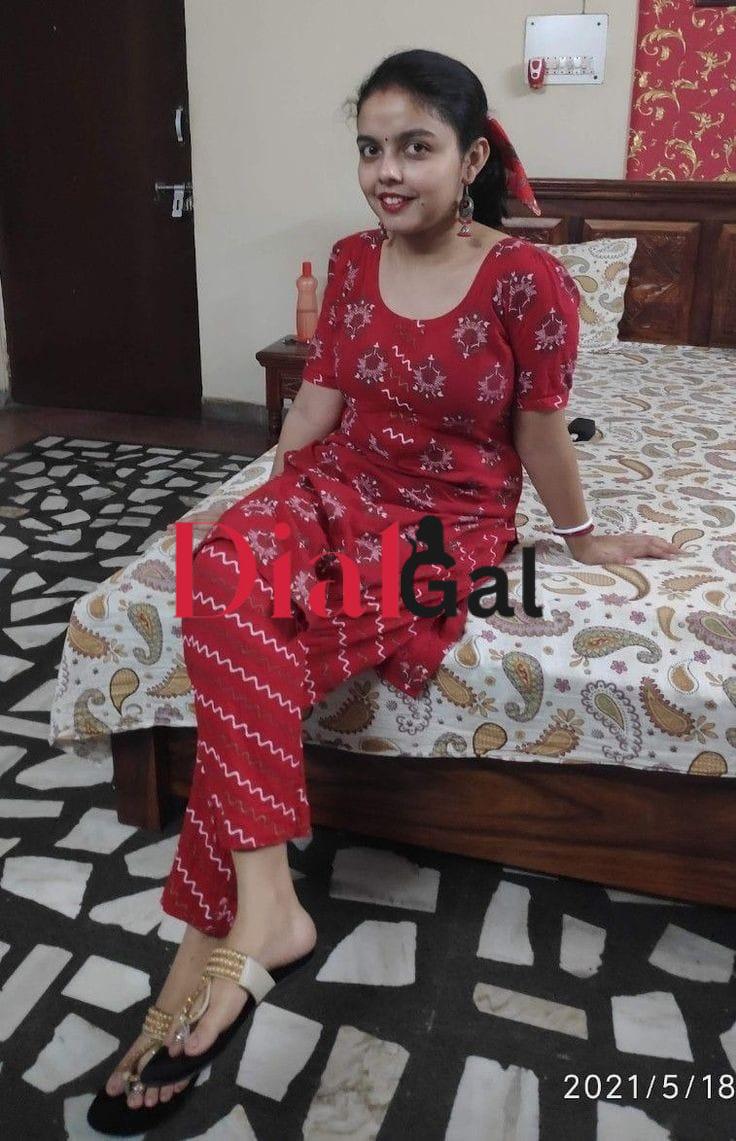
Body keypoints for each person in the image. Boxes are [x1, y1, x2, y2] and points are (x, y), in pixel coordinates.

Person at [89, 47, 682, 1133]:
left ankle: (219, 931)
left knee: (250, 648)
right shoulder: (352, 260)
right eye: (370, 149)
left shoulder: (528, 280)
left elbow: (540, 432)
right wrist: (259, 497)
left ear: (472, 158)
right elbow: (319, 393)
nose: (387, 173)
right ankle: (269, 904)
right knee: (218, 575)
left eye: (415, 147)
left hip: (444, 525)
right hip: (336, 486)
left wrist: (584, 537)